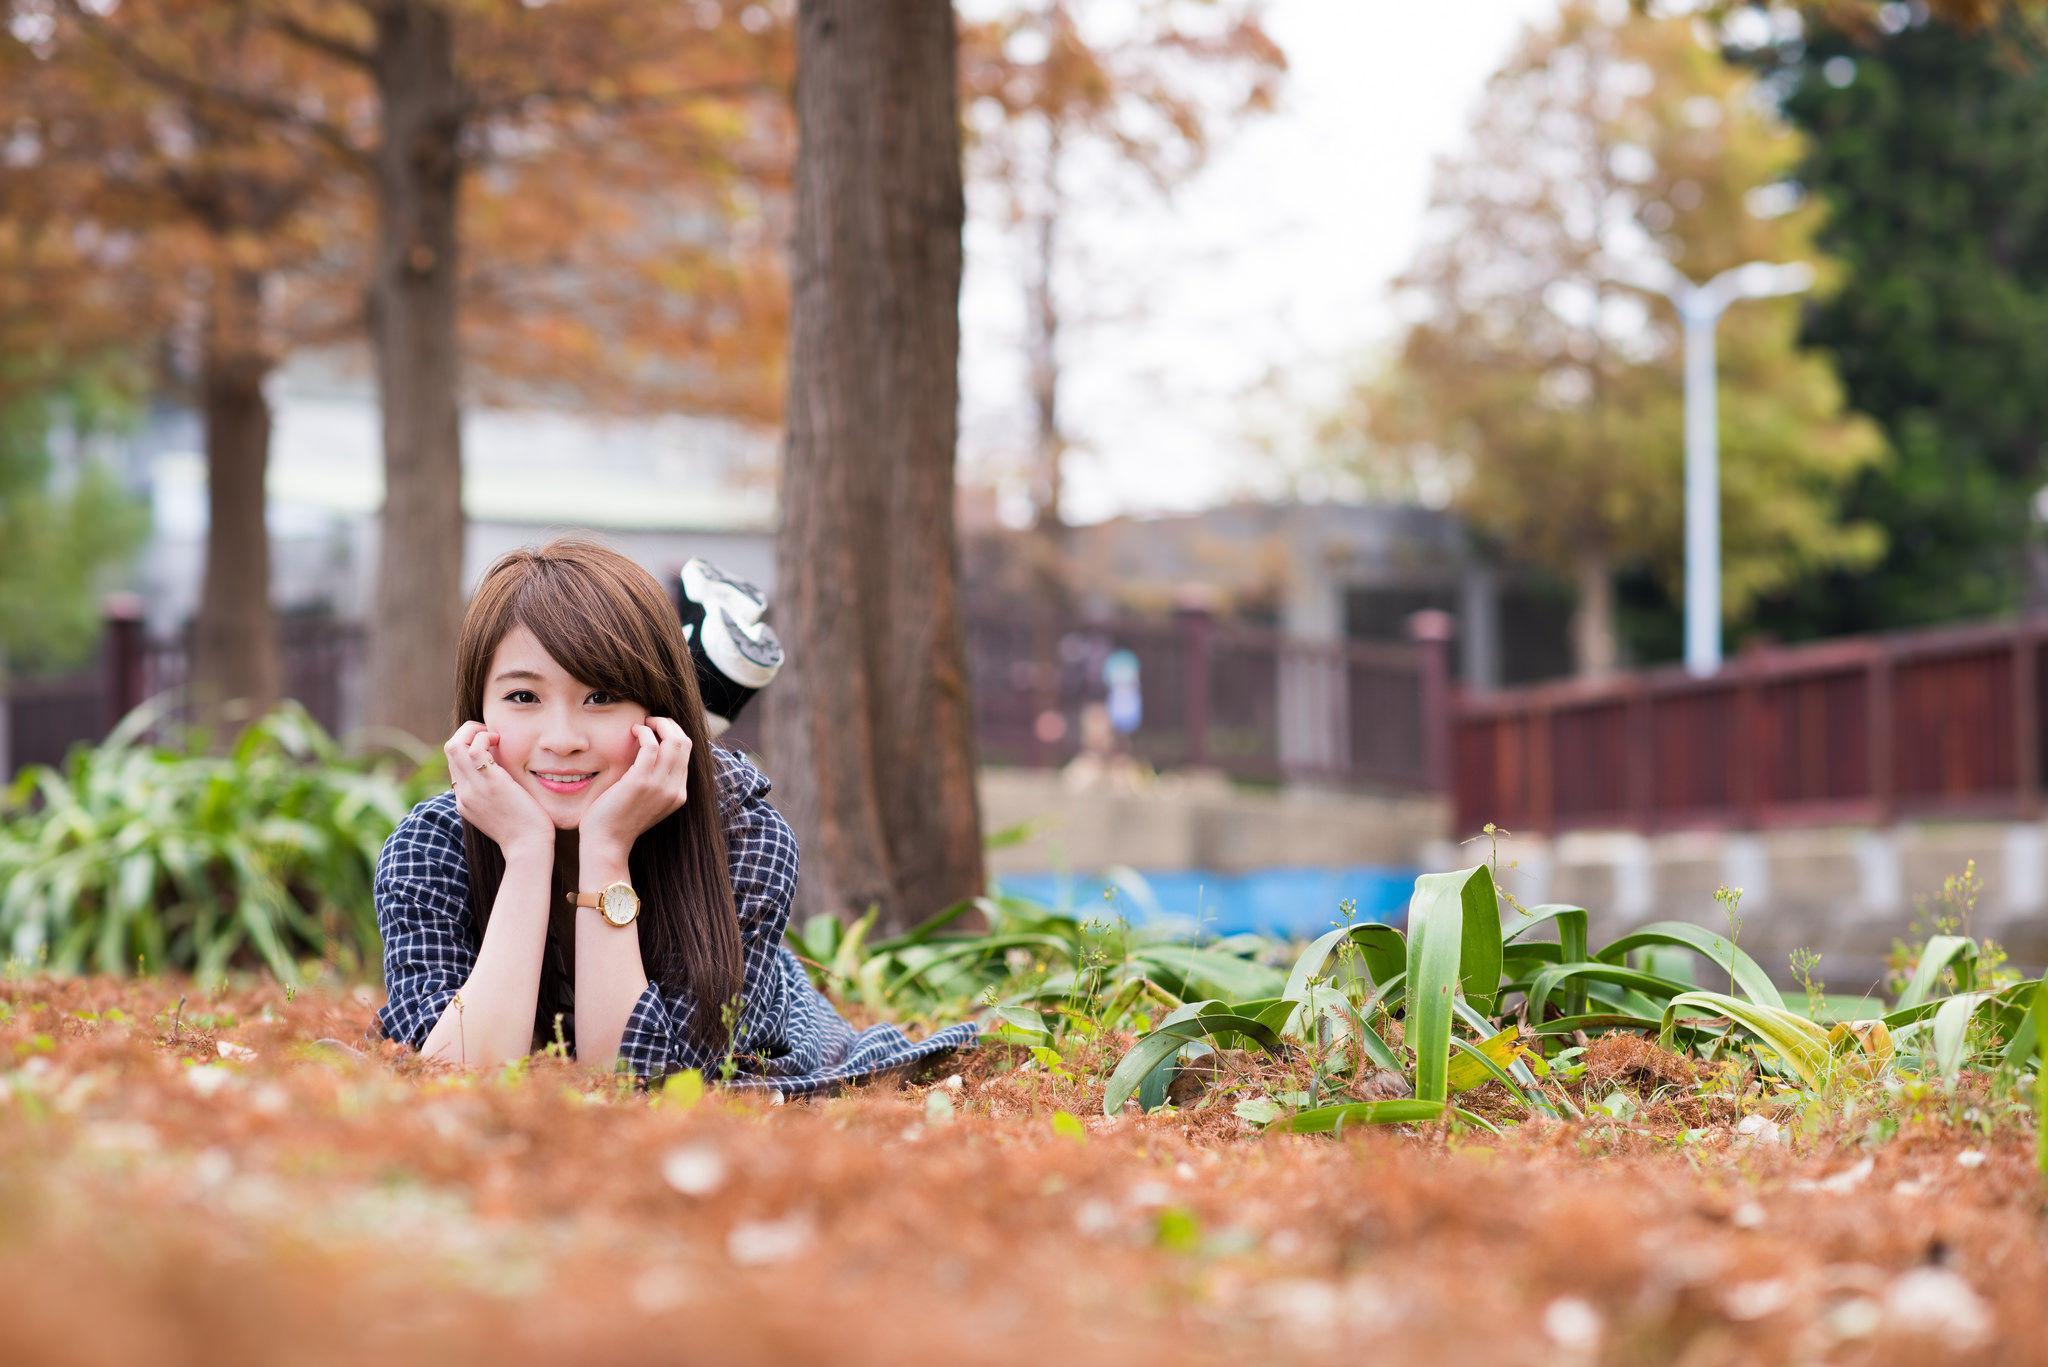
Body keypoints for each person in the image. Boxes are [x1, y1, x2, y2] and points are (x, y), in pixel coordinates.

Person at [371, 536, 977, 1096]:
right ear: (476, 712)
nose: (561, 738)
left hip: (775, 1032)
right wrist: (527, 855)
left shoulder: (743, 835)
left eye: (601, 696)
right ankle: (708, 663)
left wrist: (606, 849)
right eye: (522, 697)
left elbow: (633, 1085)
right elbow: (455, 1076)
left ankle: (705, 675)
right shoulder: (431, 847)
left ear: (656, 710)